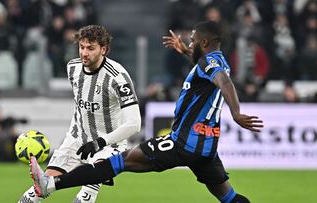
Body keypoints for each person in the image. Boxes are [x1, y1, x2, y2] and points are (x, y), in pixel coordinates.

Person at [29, 21, 263, 203]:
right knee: (228, 197)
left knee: (119, 162)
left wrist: (236, 112)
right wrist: (183, 51)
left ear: (204, 43)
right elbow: (210, 70)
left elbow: (224, 82)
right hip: (206, 148)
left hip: (184, 143)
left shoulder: (211, 66)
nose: (189, 44)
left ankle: (50, 185)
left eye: (192, 42)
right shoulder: (216, 60)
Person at [18, 25, 141, 203]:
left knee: (84, 196)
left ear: (104, 49)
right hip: (76, 140)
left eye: (91, 48)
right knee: (36, 192)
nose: (84, 53)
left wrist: (100, 142)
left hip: (108, 146)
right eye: (82, 47)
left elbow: (134, 123)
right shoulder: (73, 68)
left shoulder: (118, 78)